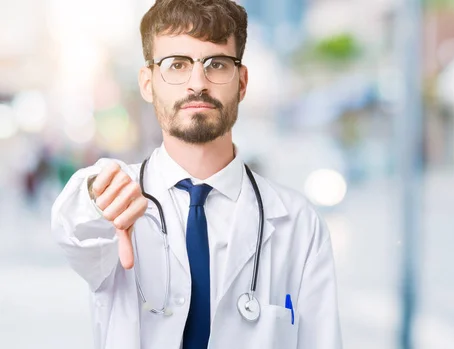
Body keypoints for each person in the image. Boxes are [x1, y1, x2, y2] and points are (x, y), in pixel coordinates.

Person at [50, 1, 342, 348]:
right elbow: (75, 228)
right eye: (177, 65)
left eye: (216, 63)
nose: (197, 83)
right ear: (147, 83)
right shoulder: (117, 204)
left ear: (242, 81)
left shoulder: (299, 224)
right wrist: (97, 196)